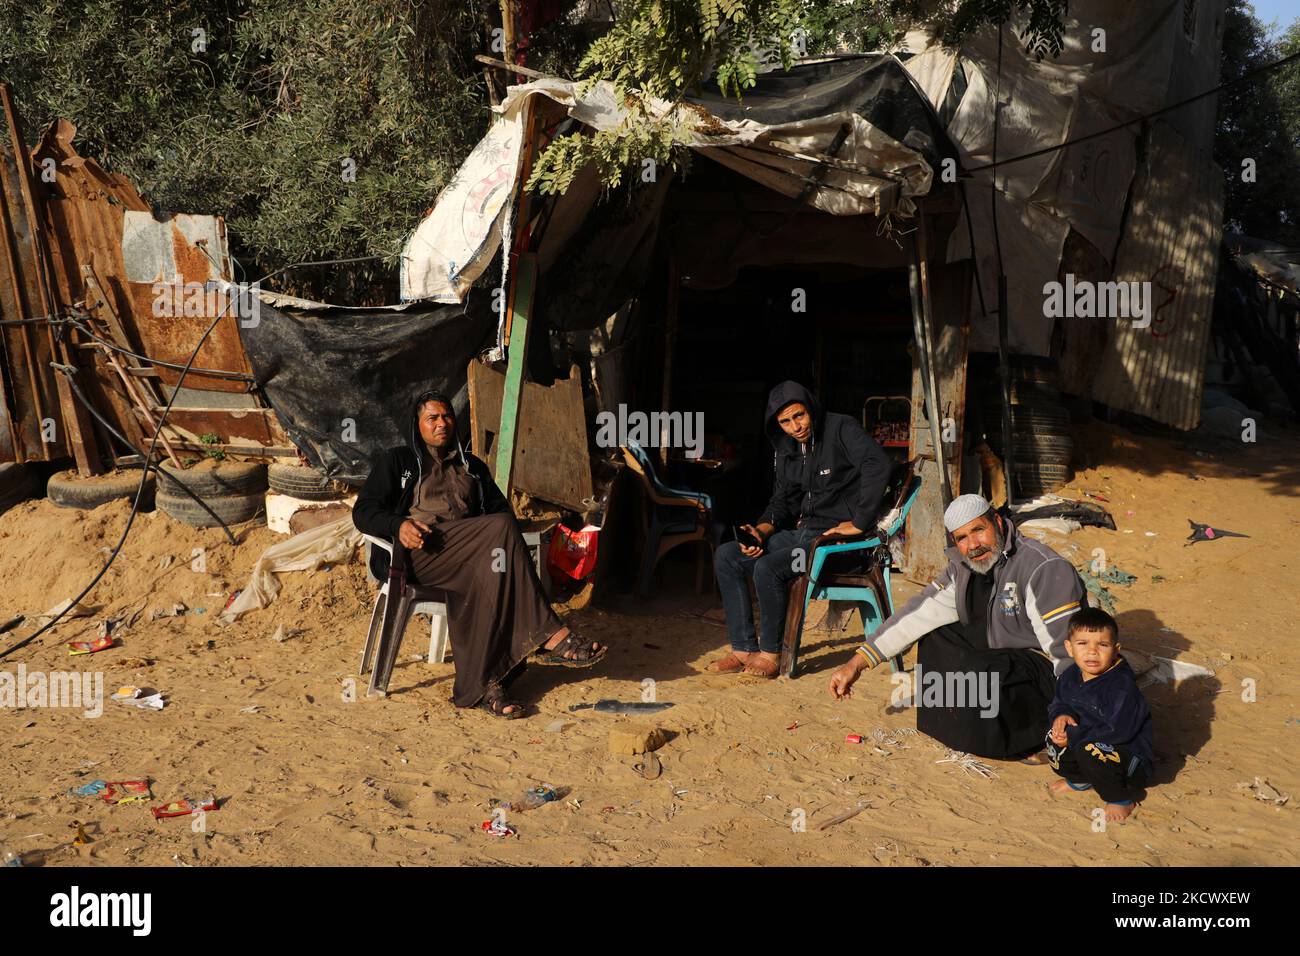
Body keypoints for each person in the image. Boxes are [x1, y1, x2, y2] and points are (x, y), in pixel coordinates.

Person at [353, 390, 606, 718]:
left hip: (467, 558)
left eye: (447, 417)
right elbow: (364, 511)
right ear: (417, 425)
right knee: (498, 529)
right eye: (433, 418)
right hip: (420, 556)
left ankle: (486, 687)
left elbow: (502, 512)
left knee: (494, 565)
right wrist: (398, 524)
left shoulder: (471, 467)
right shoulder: (398, 461)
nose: (442, 424)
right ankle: (551, 635)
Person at [828, 493, 1086, 759]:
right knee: (936, 638)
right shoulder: (962, 567)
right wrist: (856, 663)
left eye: (978, 530)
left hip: (1042, 670)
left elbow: (1067, 650)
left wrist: (1068, 709)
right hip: (997, 652)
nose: (973, 544)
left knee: (981, 674)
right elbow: (918, 614)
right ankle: (958, 729)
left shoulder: (1041, 567)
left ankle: (1033, 737)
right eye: (962, 538)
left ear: (997, 522)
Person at [710, 381, 892, 678]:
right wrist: (761, 531)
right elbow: (782, 499)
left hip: (835, 546)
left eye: (799, 416)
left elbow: (877, 463)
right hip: (801, 537)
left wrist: (859, 522)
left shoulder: (840, 428)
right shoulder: (786, 448)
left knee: (768, 568)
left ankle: (772, 653)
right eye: (785, 421)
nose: (795, 426)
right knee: (728, 556)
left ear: (811, 409)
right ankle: (743, 648)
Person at [1045, 607, 1153, 822]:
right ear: (1069, 647)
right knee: (1053, 734)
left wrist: (1074, 737)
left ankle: (1120, 798)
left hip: (1128, 758)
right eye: (1082, 644)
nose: (1092, 652)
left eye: (1102, 645)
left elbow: (1118, 730)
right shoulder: (1069, 675)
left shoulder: (1121, 687)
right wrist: (1061, 716)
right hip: (1085, 741)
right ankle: (1080, 779)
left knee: (1089, 750)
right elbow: (1059, 702)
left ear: (1115, 649)